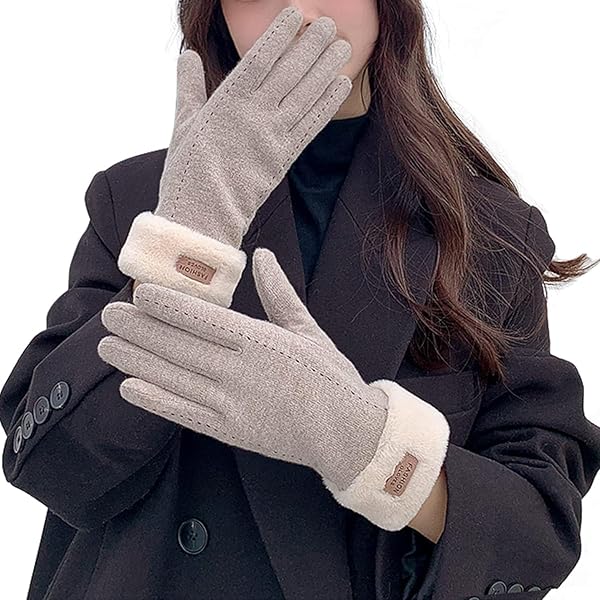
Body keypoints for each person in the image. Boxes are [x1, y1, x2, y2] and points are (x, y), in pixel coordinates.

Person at [2, 2, 599, 599]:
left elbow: (537, 532)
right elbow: (53, 468)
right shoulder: (134, 200)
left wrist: (366, 443)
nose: (295, 10)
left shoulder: (487, 233)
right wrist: (184, 241)